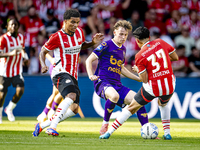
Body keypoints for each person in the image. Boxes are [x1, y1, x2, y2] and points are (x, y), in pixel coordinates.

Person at [32, 9, 104, 137]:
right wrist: (43, 64)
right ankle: (52, 127)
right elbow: (43, 51)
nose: (75, 25)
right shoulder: (57, 36)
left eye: (77, 22)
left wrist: (92, 43)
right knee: (70, 96)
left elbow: (81, 46)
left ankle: (42, 125)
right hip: (60, 72)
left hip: (73, 74)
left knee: (74, 109)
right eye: (72, 22)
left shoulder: (79, 32)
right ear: (65, 21)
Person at [99, 26, 179, 140]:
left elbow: (144, 79)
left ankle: (108, 133)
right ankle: (167, 133)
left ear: (137, 41)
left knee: (131, 108)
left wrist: (138, 71)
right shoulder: (160, 42)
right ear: (149, 37)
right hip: (169, 85)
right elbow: (175, 57)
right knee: (163, 104)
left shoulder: (140, 55)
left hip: (154, 87)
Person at [85, 20, 149, 135]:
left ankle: (147, 130)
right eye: (121, 34)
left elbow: (122, 69)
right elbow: (89, 60)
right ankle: (105, 124)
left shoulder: (123, 49)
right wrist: (90, 74)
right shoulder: (106, 45)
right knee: (114, 95)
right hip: (102, 81)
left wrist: (138, 78)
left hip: (117, 85)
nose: (123, 37)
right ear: (114, 32)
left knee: (139, 101)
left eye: (125, 35)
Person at [0, 19, 28, 124]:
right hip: (4, 71)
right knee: (2, 95)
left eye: (16, 25)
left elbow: (23, 49)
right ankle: (0, 114)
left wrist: (26, 58)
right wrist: (10, 54)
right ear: (7, 26)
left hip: (17, 70)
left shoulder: (21, 37)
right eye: (11, 25)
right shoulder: (3, 39)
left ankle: (9, 108)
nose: (14, 27)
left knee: (20, 90)